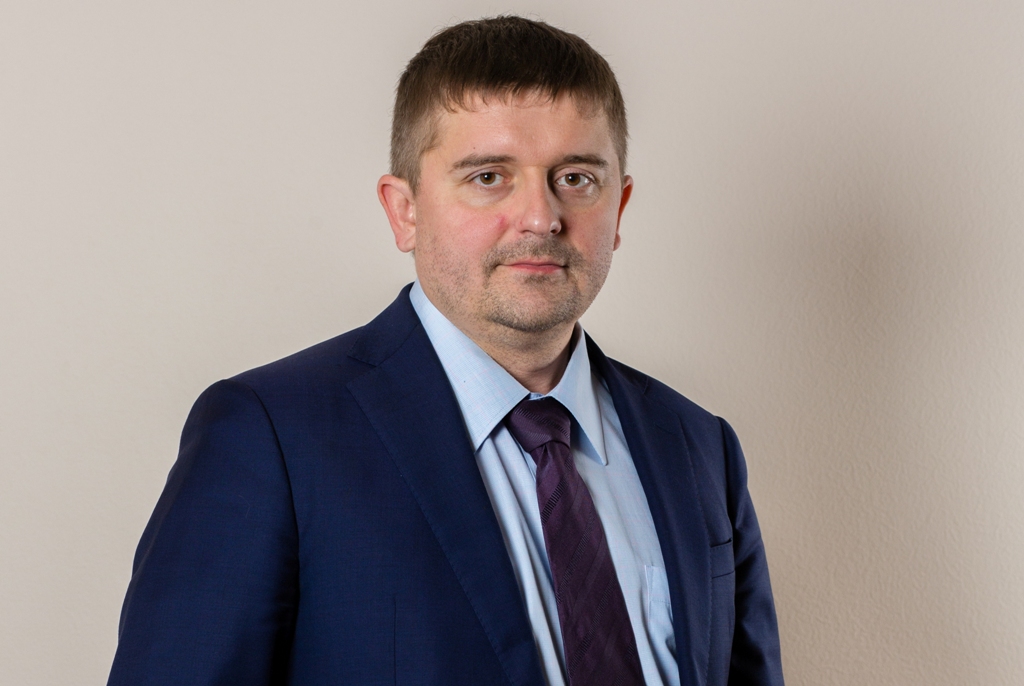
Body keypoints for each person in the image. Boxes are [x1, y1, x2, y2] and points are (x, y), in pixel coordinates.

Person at [107, 15, 784, 686]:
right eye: (489, 176)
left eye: (576, 177)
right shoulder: (272, 438)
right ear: (404, 211)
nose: (541, 217)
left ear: (620, 207)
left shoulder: (698, 448)